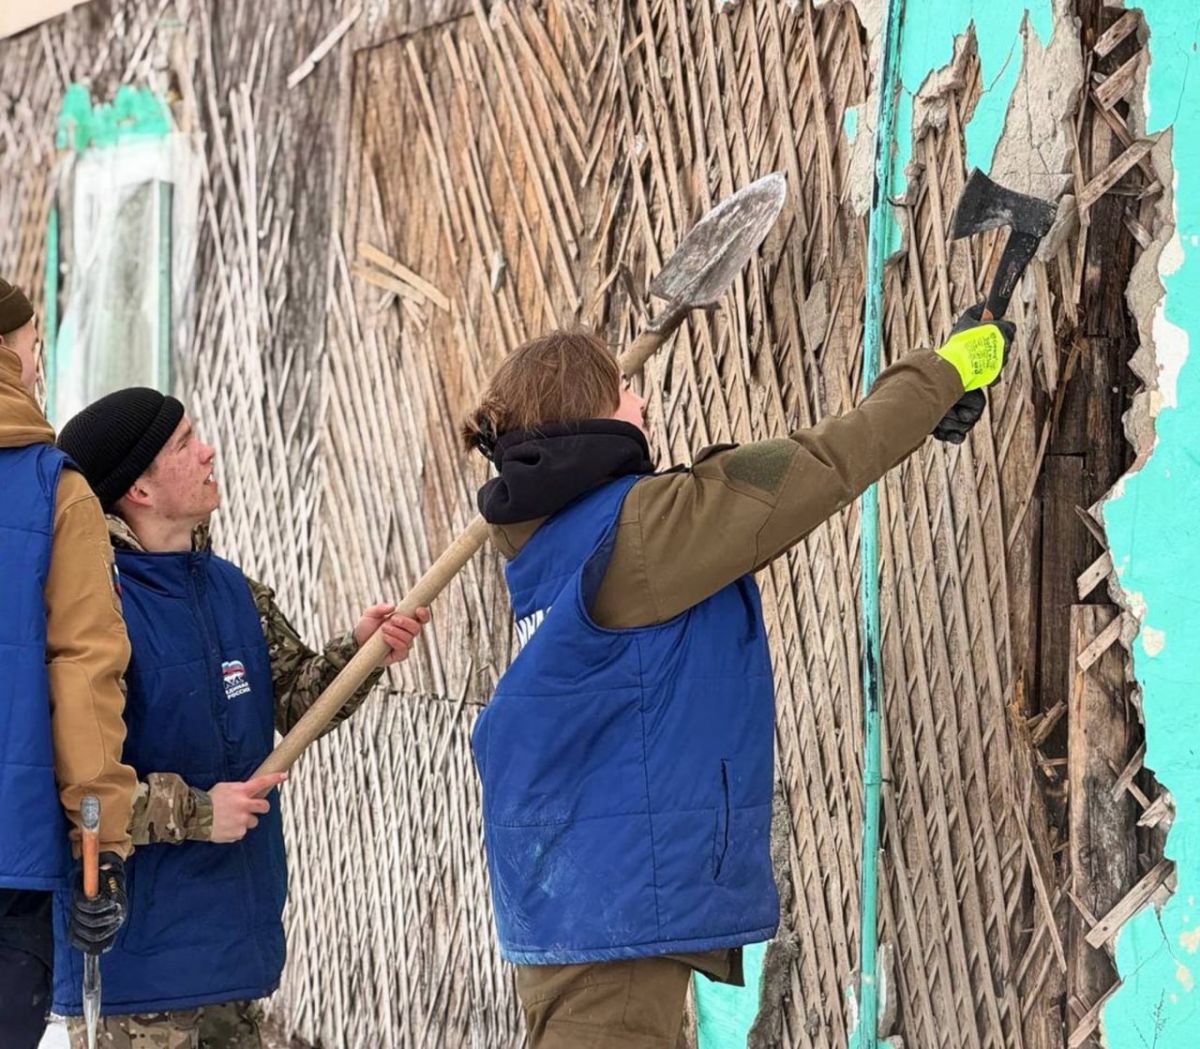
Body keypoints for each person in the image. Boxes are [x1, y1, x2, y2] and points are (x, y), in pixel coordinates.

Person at [462, 314, 1014, 1048]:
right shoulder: (641, 534)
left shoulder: (551, 544)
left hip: (578, 896)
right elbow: (820, 464)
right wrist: (938, 374)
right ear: (590, 411)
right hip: (612, 906)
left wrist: (923, 409)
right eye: (624, 387)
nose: (642, 400)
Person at [53, 388, 430, 1048]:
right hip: (137, 977)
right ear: (139, 488)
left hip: (235, 952)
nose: (208, 451)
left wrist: (363, 653)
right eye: (184, 443)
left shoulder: (232, 591)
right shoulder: (94, 610)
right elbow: (75, 790)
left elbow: (298, 702)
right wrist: (200, 812)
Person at [0, 277, 136, 1049]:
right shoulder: (53, 488)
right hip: (9, 860)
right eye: (32, 349)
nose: (37, 369)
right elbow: (84, 671)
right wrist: (101, 844)